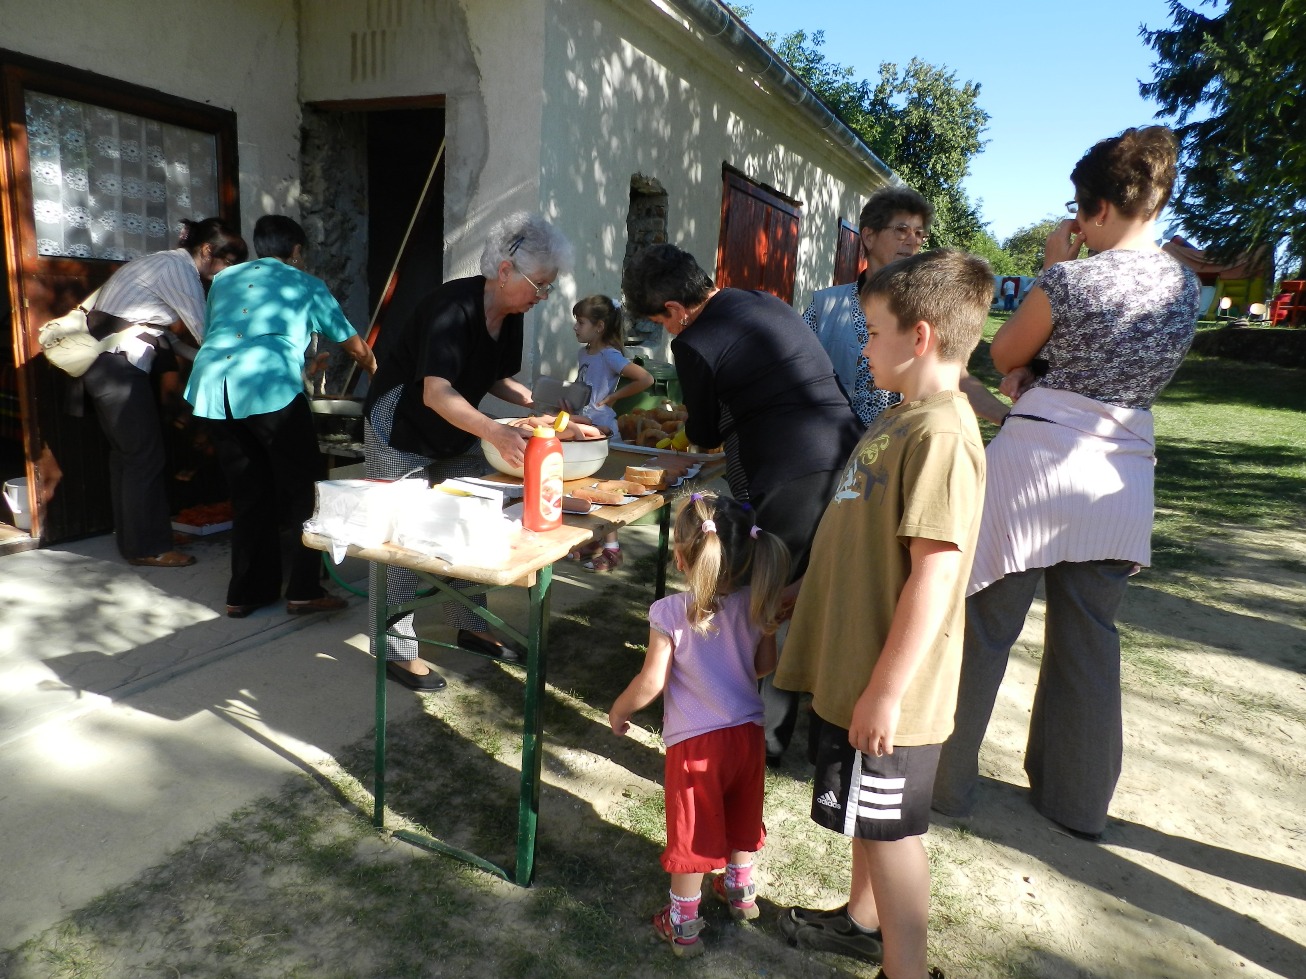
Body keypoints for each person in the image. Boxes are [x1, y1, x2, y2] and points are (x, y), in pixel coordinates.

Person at [931, 127, 1201, 841]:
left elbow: (1005, 352)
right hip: (1120, 476)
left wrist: (1055, 269)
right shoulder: (1186, 287)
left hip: (1038, 466)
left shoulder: (1073, 280)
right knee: (1090, 640)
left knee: (983, 626)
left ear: (1099, 209)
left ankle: (944, 780)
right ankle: (1076, 802)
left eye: (1081, 213)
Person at [773, 249, 992, 979]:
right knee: (867, 818)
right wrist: (807, 589)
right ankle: (862, 924)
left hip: (890, 685)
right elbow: (861, 529)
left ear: (920, 336)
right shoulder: (901, 416)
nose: (863, 349)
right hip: (858, 665)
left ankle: (907, 970)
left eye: (871, 333)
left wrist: (887, 692)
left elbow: (935, 571)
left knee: (892, 832)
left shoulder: (941, 435)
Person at [621, 243, 862, 765]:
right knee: (803, 587)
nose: (667, 330)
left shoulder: (695, 340)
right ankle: (772, 718)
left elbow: (705, 431)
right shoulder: (760, 301)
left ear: (674, 309)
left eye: (661, 322)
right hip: (846, 452)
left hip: (793, 470)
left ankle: (760, 736)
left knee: (768, 599)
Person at [364, 211, 572, 690]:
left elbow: (492, 375)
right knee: (397, 538)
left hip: (455, 429)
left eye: (548, 287)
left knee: (470, 521)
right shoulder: (450, 310)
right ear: (505, 271)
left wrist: (534, 403)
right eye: (539, 285)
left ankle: (471, 624)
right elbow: (436, 393)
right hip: (401, 427)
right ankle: (394, 647)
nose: (542, 296)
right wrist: (496, 432)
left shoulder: (512, 315)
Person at [608, 492, 790, 958]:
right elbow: (764, 666)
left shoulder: (669, 612)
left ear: (681, 558)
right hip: (747, 736)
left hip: (695, 744)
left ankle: (683, 926)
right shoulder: (754, 604)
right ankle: (741, 893)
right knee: (742, 814)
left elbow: (651, 682)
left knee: (691, 835)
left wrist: (621, 709)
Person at [185, 215, 376, 618]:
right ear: (296, 251)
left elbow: (229, 334)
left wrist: (300, 367)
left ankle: (245, 593)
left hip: (213, 388)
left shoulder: (224, 279)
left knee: (248, 491)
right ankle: (304, 589)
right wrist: (383, 374)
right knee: (305, 490)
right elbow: (354, 345)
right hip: (266, 388)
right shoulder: (305, 283)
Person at [82, 217, 247, 567]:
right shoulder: (179, 270)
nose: (226, 273)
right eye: (228, 263)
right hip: (117, 369)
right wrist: (245, 361)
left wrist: (208, 357)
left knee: (128, 457)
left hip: (108, 366)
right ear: (207, 251)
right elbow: (206, 332)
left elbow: (168, 338)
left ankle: (139, 537)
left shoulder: (162, 264)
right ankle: (149, 547)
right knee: (144, 457)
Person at [804, 187, 1010, 429]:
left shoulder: (927, 309)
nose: (913, 241)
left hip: (900, 445)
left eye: (919, 233)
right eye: (901, 230)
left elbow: (954, 375)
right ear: (869, 236)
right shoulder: (825, 306)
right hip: (834, 446)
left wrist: (1009, 418)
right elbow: (792, 369)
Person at [568, 294, 653, 572]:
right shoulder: (584, 354)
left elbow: (645, 378)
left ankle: (613, 549)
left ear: (599, 327)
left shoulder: (609, 355)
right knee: (586, 487)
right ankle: (594, 540)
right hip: (585, 430)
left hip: (602, 431)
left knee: (605, 490)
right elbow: (584, 389)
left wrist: (615, 397)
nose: (575, 327)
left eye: (581, 322)